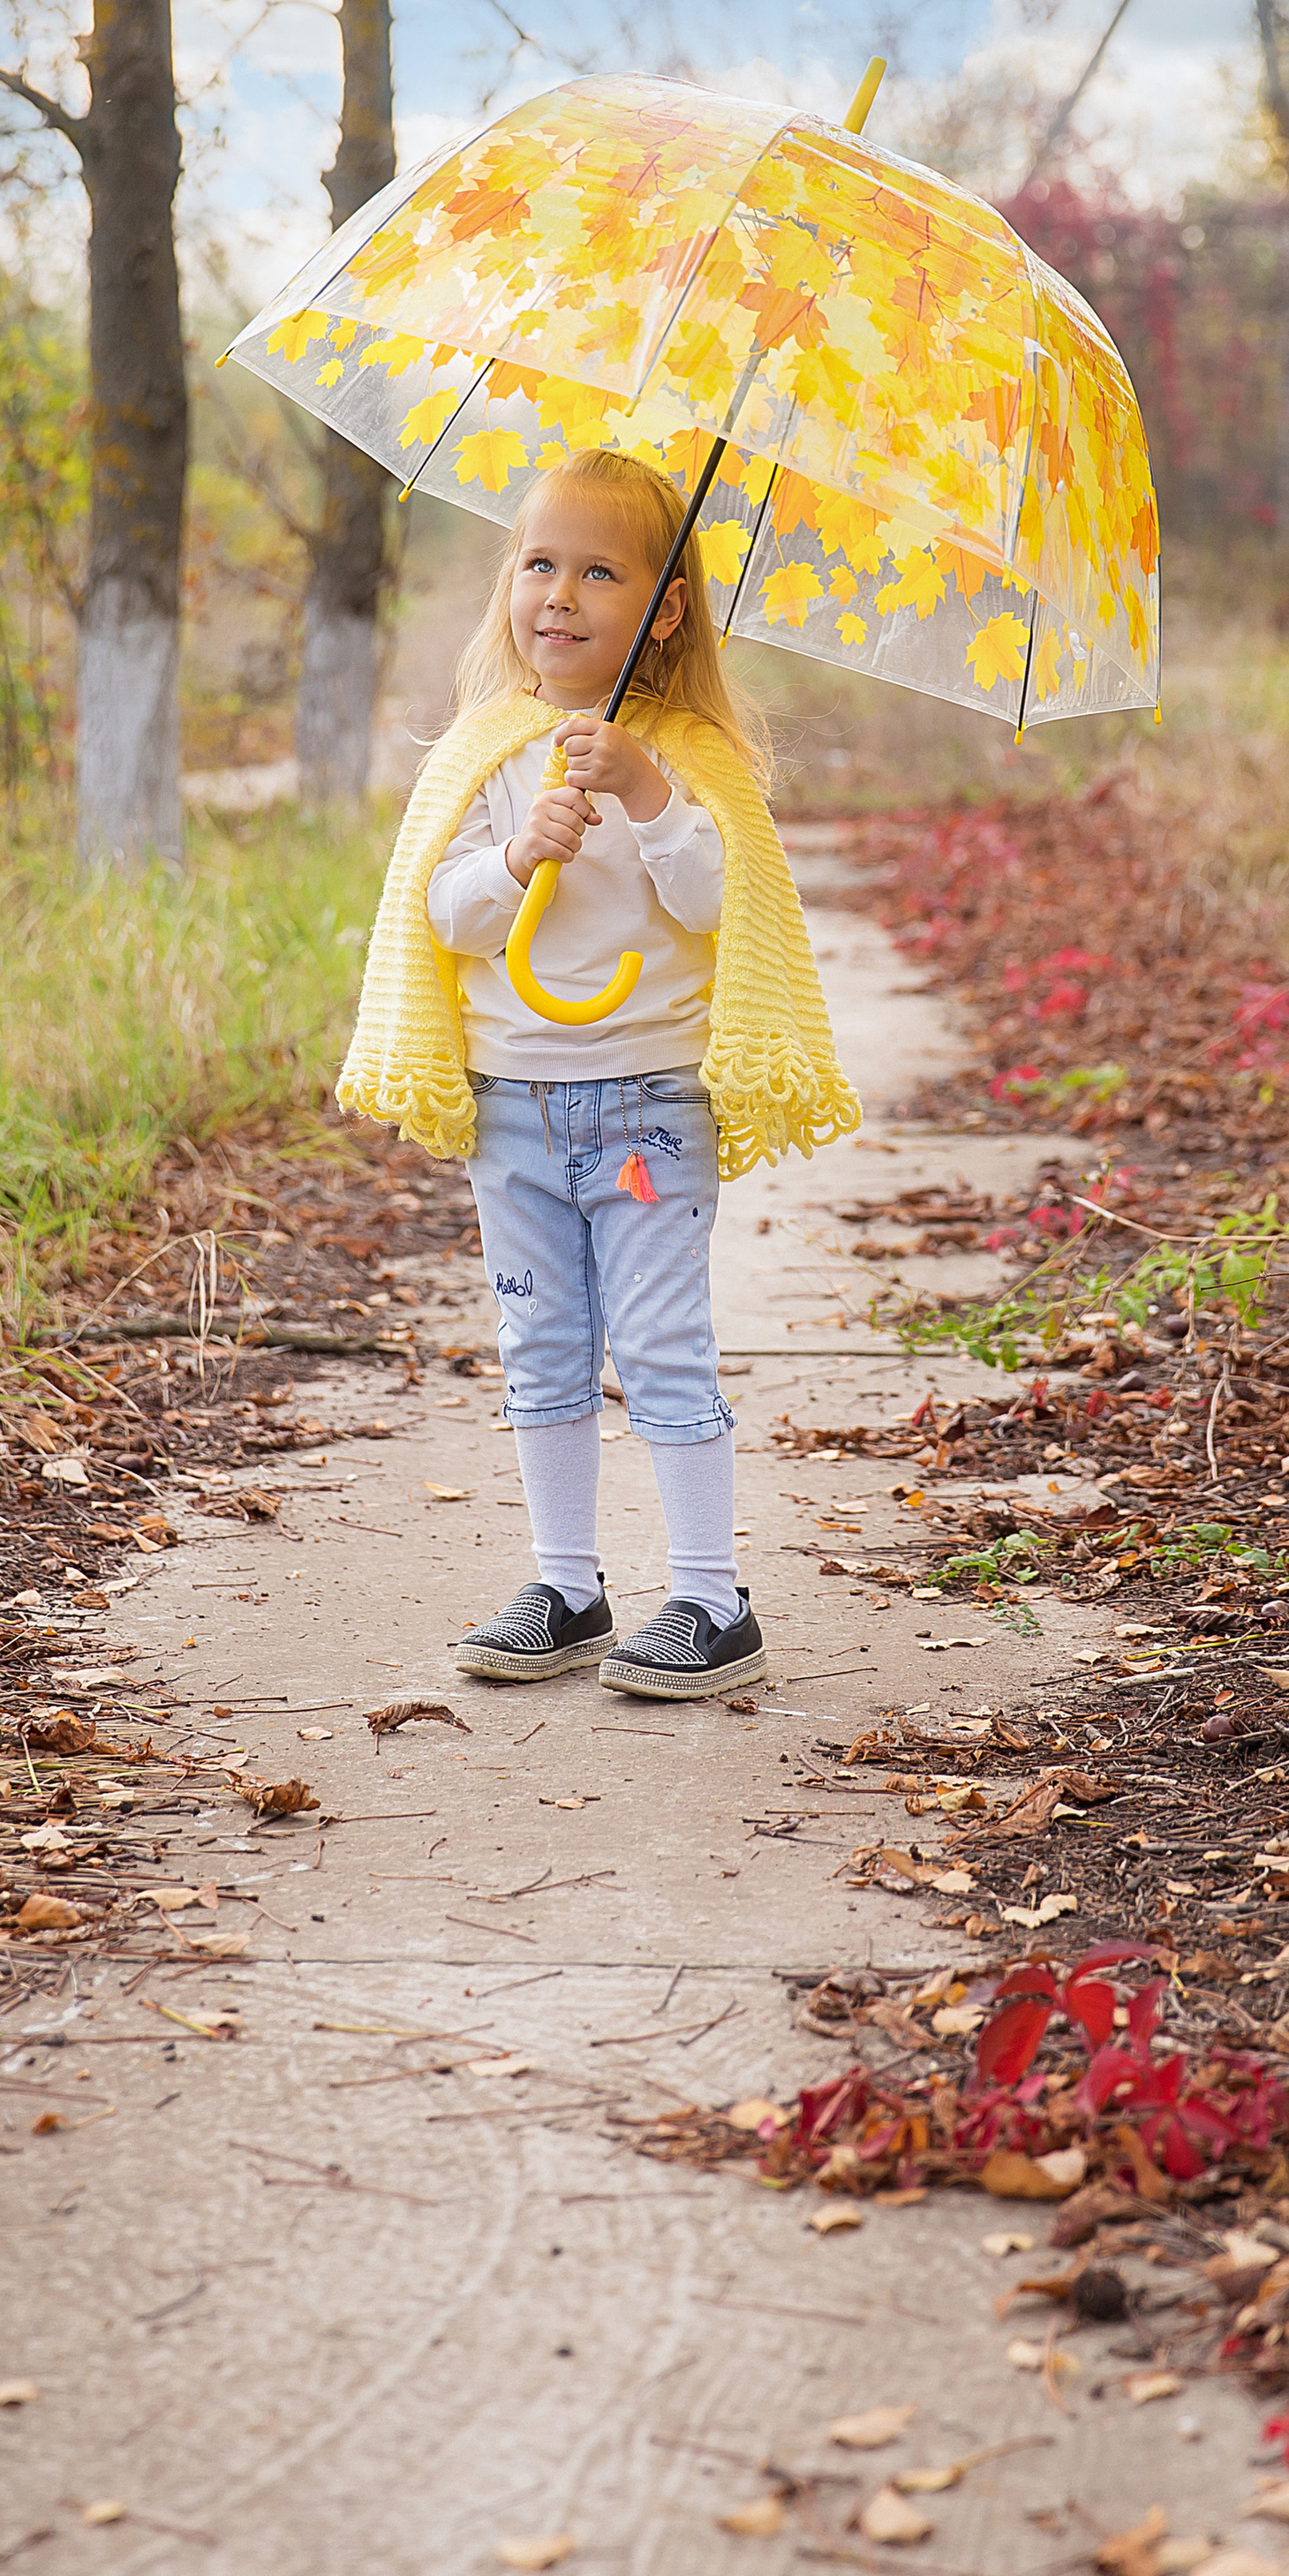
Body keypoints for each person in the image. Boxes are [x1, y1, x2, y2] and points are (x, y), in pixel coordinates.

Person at [339, 445, 859, 1698]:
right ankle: (567, 1586)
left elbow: (725, 905)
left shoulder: (686, 755)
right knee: (541, 1343)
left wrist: (649, 797)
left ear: (664, 610)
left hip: (648, 1109)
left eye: (599, 572)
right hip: (512, 1107)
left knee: (663, 1343)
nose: (559, 595)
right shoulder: (485, 752)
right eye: (539, 564)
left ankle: (712, 1598)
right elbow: (443, 913)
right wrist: (520, 852)